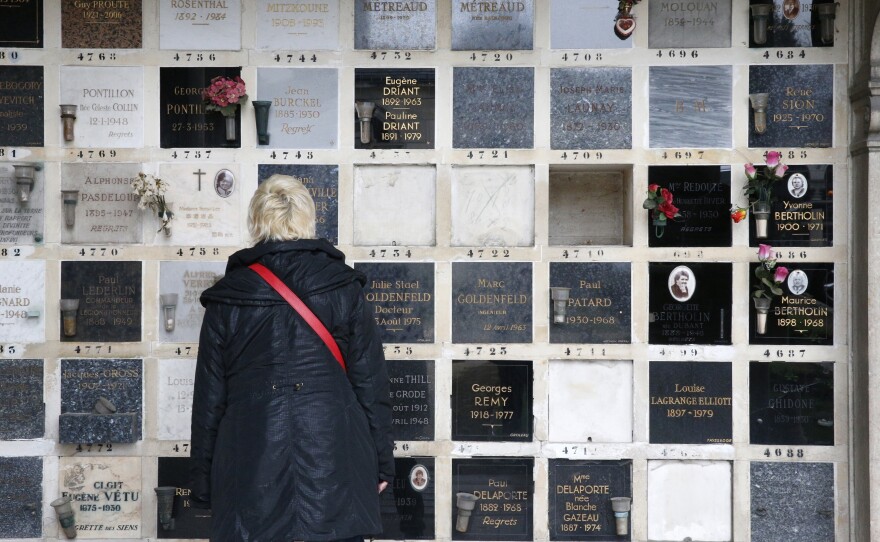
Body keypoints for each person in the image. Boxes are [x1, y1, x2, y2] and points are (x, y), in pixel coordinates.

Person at [190, 175, 394, 542]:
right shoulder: (343, 288)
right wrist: (381, 464)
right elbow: (370, 385)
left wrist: (205, 482)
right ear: (307, 218)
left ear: (256, 220)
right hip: (334, 464)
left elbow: (209, 401)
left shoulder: (228, 299)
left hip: (250, 470)